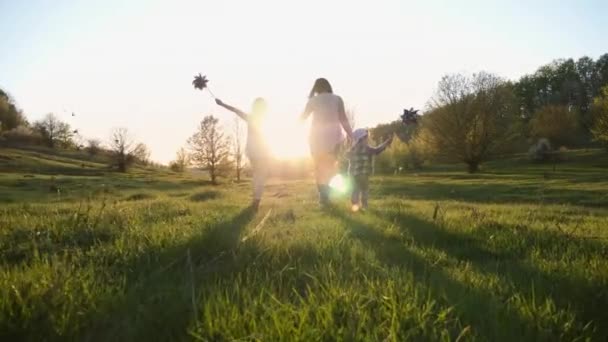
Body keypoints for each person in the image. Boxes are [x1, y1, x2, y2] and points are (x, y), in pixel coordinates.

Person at [300, 78, 353, 207]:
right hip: (334, 139)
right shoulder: (337, 99)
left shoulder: (312, 101)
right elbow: (343, 119)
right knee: (330, 169)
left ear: (316, 88)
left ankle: (323, 198)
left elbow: (302, 118)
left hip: (316, 139)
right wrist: (351, 134)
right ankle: (325, 197)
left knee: (319, 169)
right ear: (328, 86)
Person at [216, 97, 270, 210]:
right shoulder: (263, 119)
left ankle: (256, 199)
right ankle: (257, 200)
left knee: (257, 174)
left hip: (253, 149)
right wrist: (222, 104)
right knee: (260, 175)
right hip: (260, 149)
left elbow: (235, 110)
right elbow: (236, 110)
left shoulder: (251, 117)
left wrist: (222, 104)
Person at [348, 128, 393, 212]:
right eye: (366, 138)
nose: (367, 140)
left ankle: (355, 206)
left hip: (353, 175)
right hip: (364, 175)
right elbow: (377, 150)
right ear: (362, 138)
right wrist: (386, 142)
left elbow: (348, 157)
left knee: (355, 190)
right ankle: (364, 206)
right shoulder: (367, 149)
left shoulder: (352, 149)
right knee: (364, 190)